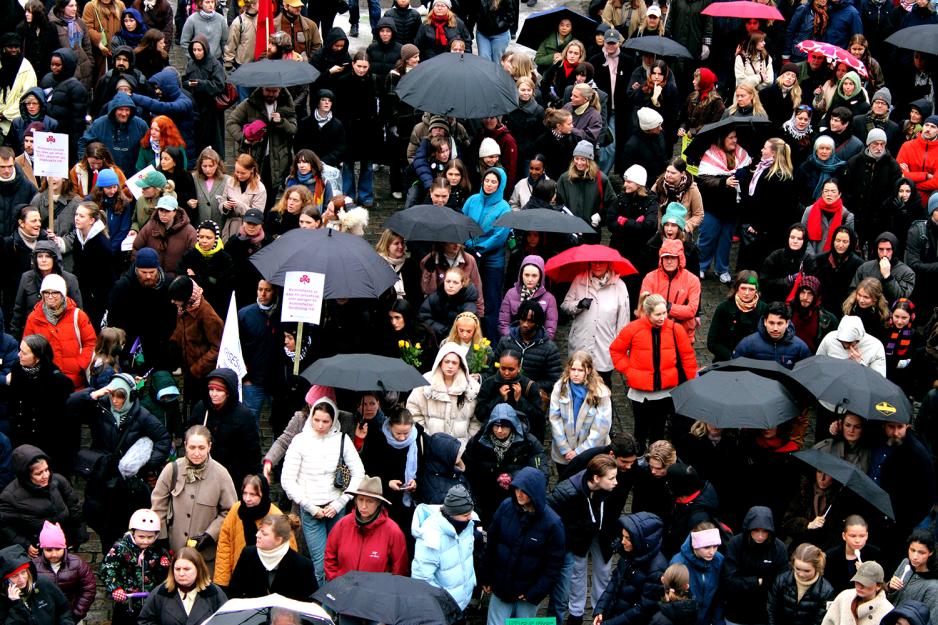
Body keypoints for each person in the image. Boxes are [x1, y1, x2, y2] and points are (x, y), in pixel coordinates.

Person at [280, 398, 365, 586]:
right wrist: (309, 506)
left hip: (336, 506)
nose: (320, 425)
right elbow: (287, 480)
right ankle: (326, 608)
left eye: (325, 421)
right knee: (320, 563)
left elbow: (359, 473)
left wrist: (340, 503)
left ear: (333, 421)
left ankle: (336, 604)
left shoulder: (342, 439)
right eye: (316, 420)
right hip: (311, 508)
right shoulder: (300, 441)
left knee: (338, 559)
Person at [611, 293, 697, 448]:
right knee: (640, 431)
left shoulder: (675, 329)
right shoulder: (633, 328)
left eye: (664, 313)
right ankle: (639, 459)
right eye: (658, 314)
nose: (662, 317)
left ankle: (655, 462)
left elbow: (687, 357)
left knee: (658, 431)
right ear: (648, 313)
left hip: (666, 391)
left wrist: (691, 383)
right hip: (641, 393)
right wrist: (629, 371)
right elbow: (616, 351)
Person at [482, 466, 564, 623]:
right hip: (501, 586)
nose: (519, 493)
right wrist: (486, 577)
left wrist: (535, 592)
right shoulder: (506, 507)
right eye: (516, 488)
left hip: (527, 592)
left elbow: (553, 565)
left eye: (524, 490)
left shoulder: (553, 524)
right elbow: (491, 544)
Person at [547, 455, 620, 624]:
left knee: (603, 571)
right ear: (596, 478)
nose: (616, 482)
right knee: (577, 572)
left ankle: (600, 611)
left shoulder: (608, 487)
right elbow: (553, 520)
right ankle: (576, 613)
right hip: (577, 537)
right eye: (612, 478)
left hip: (601, 534)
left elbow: (613, 512)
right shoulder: (566, 493)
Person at [150, 424, 236, 565]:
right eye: (192, 448)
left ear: (209, 447)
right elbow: (158, 506)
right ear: (185, 446)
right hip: (174, 554)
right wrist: (162, 539)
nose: (196, 453)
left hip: (206, 557)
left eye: (201, 448)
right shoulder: (172, 470)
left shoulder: (221, 474)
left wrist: (210, 535)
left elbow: (230, 511)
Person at [214, 474, 296, 588]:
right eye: (244, 493)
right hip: (239, 574)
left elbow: (289, 550)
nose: (247, 498)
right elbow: (224, 545)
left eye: (253, 494)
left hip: (268, 579)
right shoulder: (236, 510)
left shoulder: (275, 516)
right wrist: (222, 581)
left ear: (263, 494)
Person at [323, 475, 409, 580]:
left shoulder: (393, 531)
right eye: (360, 499)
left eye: (369, 501)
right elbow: (330, 557)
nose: (363, 506)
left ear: (378, 503)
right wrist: (335, 582)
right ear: (355, 501)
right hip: (343, 591)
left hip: (375, 594)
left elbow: (399, 570)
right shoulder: (342, 524)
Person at [0, 445, 84, 552]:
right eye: (38, 473)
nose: (46, 476)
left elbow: (74, 508)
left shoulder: (58, 481)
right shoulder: (10, 496)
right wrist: (25, 544)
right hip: (38, 549)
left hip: (63, 543)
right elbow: (4, 525)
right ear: (26, 475)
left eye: (46, 470)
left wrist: (78, 534)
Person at [106, 247, 178, 371]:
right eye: (144, 273)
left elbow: (173, 316)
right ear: (136, 269)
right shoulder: (122, 287)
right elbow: (113, 319)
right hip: (133, 346)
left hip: (161, 344)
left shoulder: (168, 284)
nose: (148, 276)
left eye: (152, 272)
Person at [187, 368, 260, 490]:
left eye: (219, 390)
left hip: (232, 476)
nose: (213, 394)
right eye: (211, 389)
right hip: (203, 471)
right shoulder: (201, 408)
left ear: (228, 392)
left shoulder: (244, 415)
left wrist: (252, 479)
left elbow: (252, 452)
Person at [593, 511, 670, 625]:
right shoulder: (630, 554)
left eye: (628, 538)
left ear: (642, 541)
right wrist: (601, 609)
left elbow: (643, 610)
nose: (623, 542)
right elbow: (614, 582)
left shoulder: (656, 570)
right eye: (623, 536)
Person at [562, 260, 631, 385]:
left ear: (608, 264)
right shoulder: (580, 280)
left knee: (602, 387)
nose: (597, 266)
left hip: (604, 345)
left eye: (601, 263)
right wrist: (579, 304)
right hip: (581, 343)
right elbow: (565, 305)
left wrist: (621, 347)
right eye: (594, 263)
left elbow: (623, 320)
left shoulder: (619, 286)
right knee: (578, 384)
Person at [697, 129, 752, 284]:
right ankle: (701, 266)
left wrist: (742, 174)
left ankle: (722, 269)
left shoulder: (741, 154)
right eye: (731, 137)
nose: (734, 140)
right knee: (707, 237)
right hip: (712, 207)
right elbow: (704, 180)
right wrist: (723, 182)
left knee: (725, 240)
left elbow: (748, 172)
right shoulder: (710, 155)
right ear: (722, 138)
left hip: (732, 208)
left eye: (736, 137)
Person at [99, 509, 172, 625]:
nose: (146, 541)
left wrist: (164, 565)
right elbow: (108, 568)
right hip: (127, 601)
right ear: (133, 533)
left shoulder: (158, 549)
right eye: (141, 536)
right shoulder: (120, 548)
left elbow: (162, 575)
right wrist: (115, 588)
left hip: (151, 601)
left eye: (150, 537)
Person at [22, 274, 94, 389]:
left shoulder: (79, 316)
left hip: (75, 383)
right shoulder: (33, 318)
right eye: (46, 292)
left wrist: (80, 364)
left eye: (55, 292)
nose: (50, 296)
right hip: (46, 384)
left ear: (62, 294)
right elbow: (27, 347)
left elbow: (90, 342)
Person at [411, 484, 477, 611]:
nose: (470, 517)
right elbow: (422, 579)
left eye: (470, 512)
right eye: (465, 515)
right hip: (442, 610)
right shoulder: (431, 536)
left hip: (461, 605)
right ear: (452, 514)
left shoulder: (467, 525)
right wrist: (445, 604)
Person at [226, 87, 297, 205]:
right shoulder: (249, 104)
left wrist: (281, 122)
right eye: (268, 90)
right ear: (262, 89)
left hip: (276, 160)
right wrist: (243, 138)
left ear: (279, 90)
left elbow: (293, 128)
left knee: (270, 198)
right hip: (253, 158)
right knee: (251, 196)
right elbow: (231, 122)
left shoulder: (286, 106)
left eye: (274, 91)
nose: (271, 94)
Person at [462, 167, 511, 339]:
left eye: (494, 182)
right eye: (487, 181)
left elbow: (500, 235)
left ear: (500, 185)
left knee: (491, 300)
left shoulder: (504, 208)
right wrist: (469, 243)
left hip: (492, 261)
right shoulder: (472, 200)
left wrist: (480, 247)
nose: (489, 185)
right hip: (470, 254)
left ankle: (490, 340)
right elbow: (463, 223)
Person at [722, 506, 789, 625]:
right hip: (736, 612)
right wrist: (758, 581)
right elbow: (729, 581)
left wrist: (747, 581)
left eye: (765, 531)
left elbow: (782, 583)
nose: (760, 536)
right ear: (748, 529)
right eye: (756, 530)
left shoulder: (779, 548)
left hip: (765, 613)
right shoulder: (735, 544)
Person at [406, 343, 481, 452]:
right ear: (440, 361)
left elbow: (477, 419)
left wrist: (468, 441)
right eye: (447, 361)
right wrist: (425, 434)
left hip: (461, 449)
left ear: (460, 364)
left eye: (454, 362)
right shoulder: (426, 382)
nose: (450, 366)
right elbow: (413, 409)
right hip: (431, 447)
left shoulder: (471, 387)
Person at [228, 513, 318, 601]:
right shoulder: (248, 554)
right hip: (252, 614)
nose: (257, 535)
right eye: (259, 530)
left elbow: (310, 603)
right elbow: (234, 592)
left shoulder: (303, 565)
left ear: (278, 540)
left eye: (264, 533)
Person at [548, 351, 613, 467]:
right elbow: (555, 419)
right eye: (573, 369)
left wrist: (579, 452)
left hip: (590, 455)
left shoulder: (601, 393)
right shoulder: (559, 388)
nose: (576, 374)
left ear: (588, 370)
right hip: (564, 454)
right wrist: (566, 449)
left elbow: (601, 429)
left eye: (580, 370)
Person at [137, 546, 227, 625]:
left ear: (199, 570)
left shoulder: (214, 592)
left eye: (187, 569)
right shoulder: (161, 593)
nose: (181, 573)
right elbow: (144, 621)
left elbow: (228, 621)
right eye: (177, 569)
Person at [30, 521, 97, 624]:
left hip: (72, 616)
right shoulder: (34, 566)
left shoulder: (77, 563)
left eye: (58, 549)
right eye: (49, 550)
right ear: (42, 549)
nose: (54, 554)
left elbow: (89, 588)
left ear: (64, 547)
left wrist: (76, 614)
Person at [641, 239, 701, 343]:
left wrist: (668, 306)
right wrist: (676, 309)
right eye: (666, 257)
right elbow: (645, 307)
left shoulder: (692, 280)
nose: (669, 261)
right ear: (661, 259)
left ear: (679, 259)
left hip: (683, 335)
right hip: (654, 334)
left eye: (673, 257)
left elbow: (691, 311)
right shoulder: (650, 278)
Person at [556, 141, 616, 244]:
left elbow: (612, 203)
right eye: (576, 158)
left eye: (583, 159)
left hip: (591, 231)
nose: (579, 163)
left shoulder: (601, 179)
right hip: (570, 231)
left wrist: (600, 215)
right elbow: (559, 204)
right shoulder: (565, 179)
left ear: (589, 160)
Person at [0, 544, 75, 625]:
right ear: (6, 580)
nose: (21, 579)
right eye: (15, 576)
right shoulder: (3, 600)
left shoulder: (43, 583)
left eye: (23, 572)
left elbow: (64, 609)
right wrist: (16, 605)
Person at [79, 93, 149, 176]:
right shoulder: (99, 124)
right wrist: (86, 164)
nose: (124, 113)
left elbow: (149, 147)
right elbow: (83, 143)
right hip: (104, 175)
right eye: (121, 109)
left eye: (127, 110)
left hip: (133, 176)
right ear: (114, 110)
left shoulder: (140, 125)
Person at [767, 543, 836, 625]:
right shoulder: (781, 580)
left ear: (817, 568)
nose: (801, 574)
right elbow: (772, 608)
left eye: (807, 571)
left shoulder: (826, 591)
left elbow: (820, 620)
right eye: (797, 568)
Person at [670, 523, 725, 625]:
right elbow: (673, 602)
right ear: (695, 545)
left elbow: (719, 596)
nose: (712, 552)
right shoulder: (678, 563)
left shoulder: (719, 560)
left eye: (715, 546)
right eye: (707, 547)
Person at [707, 271, 768, 362]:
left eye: (751, 289)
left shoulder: (764, 309)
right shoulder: (723, 308)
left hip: (753, 361)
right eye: (743, 288)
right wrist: (732, 357)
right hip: (726, 361)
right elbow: (712, 342)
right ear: (737, 288)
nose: (747, 293)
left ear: (756, 290)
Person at [804, 226, 864, 316]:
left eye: (845, 242)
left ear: (851, 243)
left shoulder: (858, 264)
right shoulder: (819, 259)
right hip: (821, 309)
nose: (840, 245)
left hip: (846, 310)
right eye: (838, 240)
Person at [733, 302, 812, 368]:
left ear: (787, 323)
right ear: (765, 322)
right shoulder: (748, 344)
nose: (775, 328)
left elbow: (808, 374)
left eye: (779, 323)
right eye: (771, 323)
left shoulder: (800, 347)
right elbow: (734, 368)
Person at [498, 254, 559, 339]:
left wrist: (538, 343)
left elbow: (550, 330)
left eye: (534, 275)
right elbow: (503, 324)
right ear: (521, 275)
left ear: (540, 277)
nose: (530, 279)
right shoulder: (511, 294)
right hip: (513, 342)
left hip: (538, 345)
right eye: (526, 275)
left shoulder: (549, 298)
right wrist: (513, 340)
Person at [886, 530, 938, 624]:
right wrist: (890, 587)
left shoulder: (934, 586)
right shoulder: (905, 563)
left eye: (921, 553)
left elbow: (931, 620)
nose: (914, 556)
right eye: (912, 550)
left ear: (930, 552)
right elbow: (886, 597)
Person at [822, 560, 893, 625]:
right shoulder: (844, 597)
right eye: (857, 581)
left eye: (866, 583)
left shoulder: (887, 611)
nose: (859, 586)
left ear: (878, 586)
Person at [852, 232, 916, 302]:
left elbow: (901, 299)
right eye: (881, 249)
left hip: (891, 311)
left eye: (888, 249)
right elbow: (852, 291)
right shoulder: (864, 268)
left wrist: (888, 277)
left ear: (894, 250)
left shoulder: (906, 272)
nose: (884, 254)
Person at [842, 277, 890, 341]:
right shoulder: (850, 307)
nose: (861, 300)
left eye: (866, 297)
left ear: (875, 298)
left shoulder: (881, 314)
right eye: (859, 295)